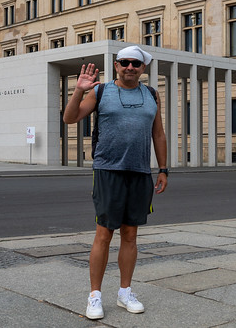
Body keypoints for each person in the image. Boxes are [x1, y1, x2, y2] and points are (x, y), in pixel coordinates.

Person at [63, 45, 168, 320]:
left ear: (142, 68)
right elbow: (70, 118)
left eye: (135, 63)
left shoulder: (152, 95)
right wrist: (78, 90)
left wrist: (163, 168)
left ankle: (124, 292)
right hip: (108, 169)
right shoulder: (101, 91)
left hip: (139, 171)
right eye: (124, 62)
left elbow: (158, 134)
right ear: (117, 66)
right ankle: (95, 296)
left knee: (130, 234)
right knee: (104, 233)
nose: (130, 67)